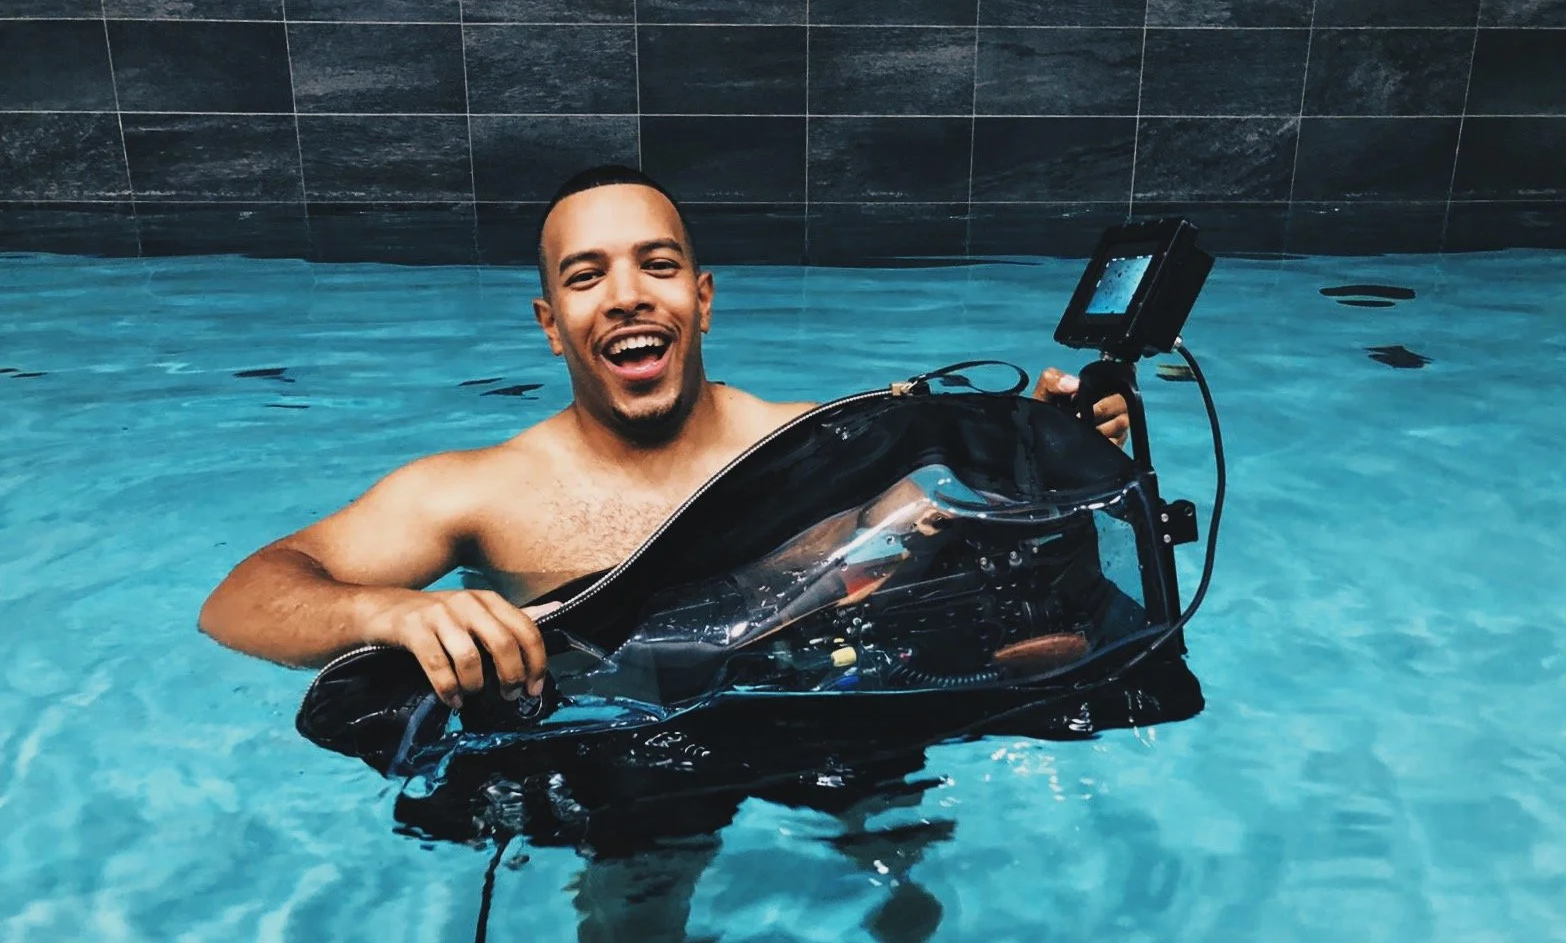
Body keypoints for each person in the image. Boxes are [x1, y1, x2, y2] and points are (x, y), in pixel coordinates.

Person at [198, 165, 1131, 712]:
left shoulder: (822, 447)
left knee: (897, 875)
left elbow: (975, 575)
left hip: (833, 719)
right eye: (585, 276)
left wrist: (1061, 447)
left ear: (704, 299)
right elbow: (240, 602)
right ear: (550, 324)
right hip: (627, 752)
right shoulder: (476, 495)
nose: (629, 296)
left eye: (658, 264)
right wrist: (392, 613)